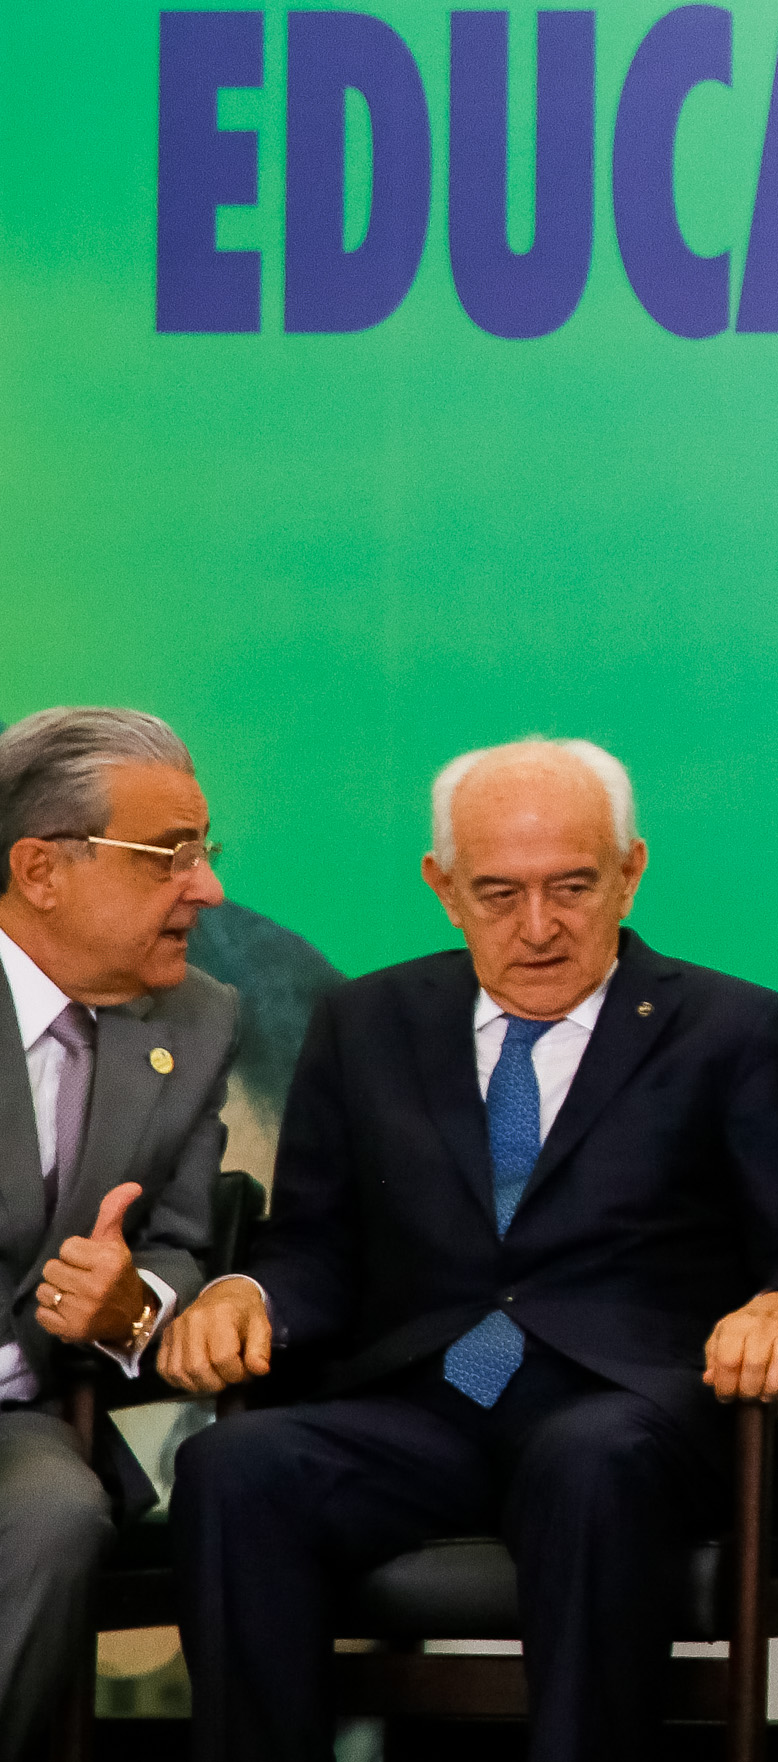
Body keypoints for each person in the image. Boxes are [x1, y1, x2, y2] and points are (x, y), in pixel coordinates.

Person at [161, 738, 778, 1762]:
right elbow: (310, 1241)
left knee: (585, 1459)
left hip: (628, 1416)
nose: (538, 928)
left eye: (573, 886)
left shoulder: (731, 1027)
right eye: (498, 894)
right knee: (234, 1465)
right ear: (443, 888)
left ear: (632, 870)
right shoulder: (367, 1021)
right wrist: (245, 1293)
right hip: (425, 1408)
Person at [0, 709, 238, 1762]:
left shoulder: (194, 1022)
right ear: (40, 868)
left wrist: (131, 1304)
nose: (207, 888)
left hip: (20, 1425)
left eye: (206, 852)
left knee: (55, 1510)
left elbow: (182, 1242)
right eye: (169, 856)